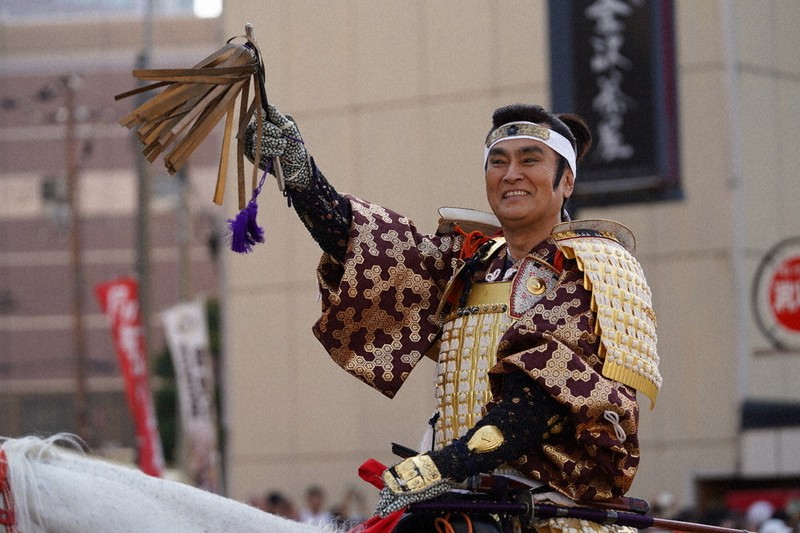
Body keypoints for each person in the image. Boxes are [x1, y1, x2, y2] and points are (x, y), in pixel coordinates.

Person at [245, 102, 661, 532]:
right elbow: (373, 256)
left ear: (567, 180)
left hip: (551, 515)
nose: (511, 174)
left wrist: (440, 466)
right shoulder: (473, 263)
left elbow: (539, 401)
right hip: (465, 502)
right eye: (498, 162)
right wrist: (302, 177)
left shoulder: (596, 268)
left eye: (529, 160)